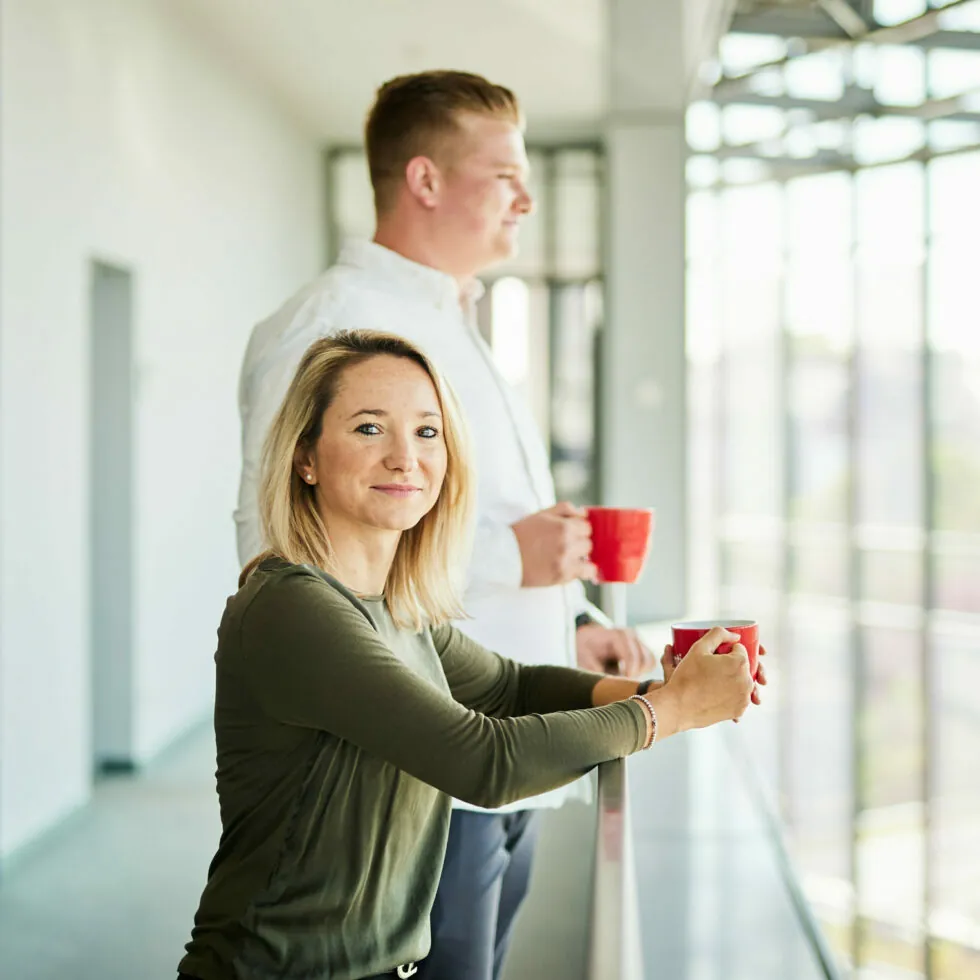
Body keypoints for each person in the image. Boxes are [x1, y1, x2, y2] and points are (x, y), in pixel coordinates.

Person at [233, 70, 658, 979]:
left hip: (497, 743)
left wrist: (573, 626)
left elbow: (473, 522)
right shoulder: (334, 324)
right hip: (424, 770)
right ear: (425, 180)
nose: (527, 198)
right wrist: (513, 557)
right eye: (505, 173)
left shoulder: (452, 321)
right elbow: (287, 544)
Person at [179, 330, 762, 980]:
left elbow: (508, 688)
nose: (406, 458)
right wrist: (671, 712)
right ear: (306, 457)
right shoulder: (293, 608)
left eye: (427, 432)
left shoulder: (397, 606)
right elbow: (484, 761)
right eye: (370, 428)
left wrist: (664, 689)